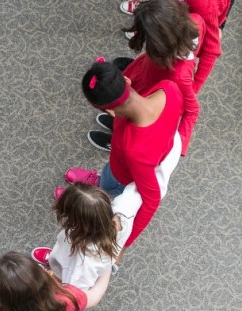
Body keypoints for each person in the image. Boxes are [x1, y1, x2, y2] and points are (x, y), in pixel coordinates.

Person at [66, 59, 183, 251]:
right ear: (127, 81)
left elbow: (151, 199)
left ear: (110, 110)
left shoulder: (134, 147)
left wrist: (124, 246)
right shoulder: (168, 89)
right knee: (106, 174)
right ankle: (97, 183)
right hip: (148, 153)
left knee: (107, 185)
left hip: (121, 176)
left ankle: (93, 195)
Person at [90, 0, 202, 155]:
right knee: (122, 114)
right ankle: (117, 123)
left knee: (130, 123)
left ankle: (116, 142)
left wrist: (176, 148)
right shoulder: (194, 21)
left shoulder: (179, 75)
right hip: (144, 74)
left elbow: (192, 110)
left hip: (147, 94)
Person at [34, 182, 125, 293]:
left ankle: (54, 278)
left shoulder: (82, 265)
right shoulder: (114, 219)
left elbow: (74, 291)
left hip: (69, 273)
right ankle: (55, 261)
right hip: (71, 256)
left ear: (77, 221)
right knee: (63, 253)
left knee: (60, 279)